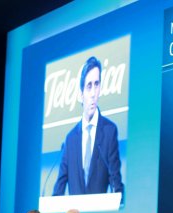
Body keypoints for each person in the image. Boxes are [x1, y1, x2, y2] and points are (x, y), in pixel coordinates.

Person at [52, 56, 124, 197]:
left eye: (96, 85)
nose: (93, 93)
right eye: (89, 86)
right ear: (80, 94)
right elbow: (59, 186)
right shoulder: (71, 139)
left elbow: (116, 180)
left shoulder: (109, 131)